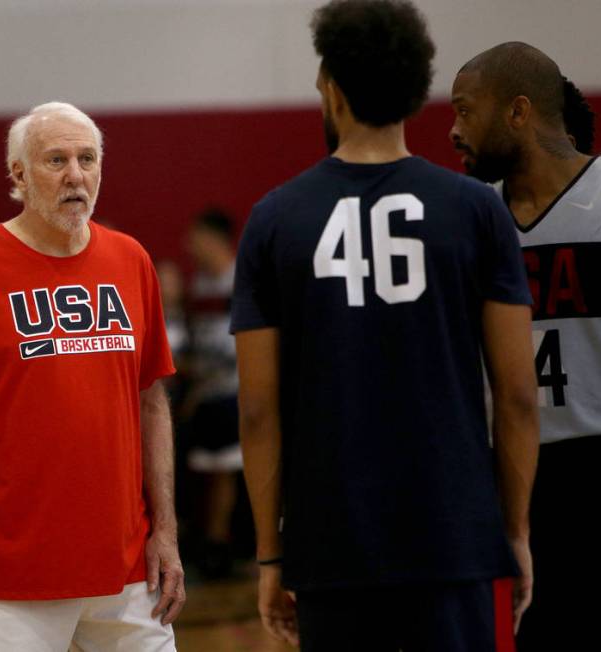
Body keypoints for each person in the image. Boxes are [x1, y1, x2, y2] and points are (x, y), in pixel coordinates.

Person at [231, 2, 539, 651]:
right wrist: (513, 532)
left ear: (332, 89)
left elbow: (257, 409)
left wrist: (268, 556)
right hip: (454, 535)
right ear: (413, 88)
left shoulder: (272, 220)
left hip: (329, 542)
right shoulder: (476, 213)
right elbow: (514, 395)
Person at [0, 101, 184, 651]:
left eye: (87, 159)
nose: (76, 176)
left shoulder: (131, 260)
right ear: (19, 175)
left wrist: (167, 532)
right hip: (4, 582)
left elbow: (152, 402)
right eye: (56, 160)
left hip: (128, 570)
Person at [450, 42, 601, 652]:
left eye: (464, 110)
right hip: (509, 472)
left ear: (518, 112)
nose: (454, 131)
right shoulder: (474, 219)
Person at [184, 208, 243, 578]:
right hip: (207, 394)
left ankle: (222, 547)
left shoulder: (241, 280)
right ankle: (208, 543)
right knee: (206, 472)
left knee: (227, 470)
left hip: (235, 392)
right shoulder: (201, 286)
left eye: (195, 237)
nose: (189, 246)